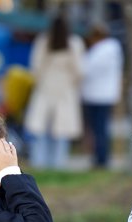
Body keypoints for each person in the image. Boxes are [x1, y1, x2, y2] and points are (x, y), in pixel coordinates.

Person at [24, 13, 84, 169]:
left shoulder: (43, 41)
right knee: (61, 131)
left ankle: (39, 162)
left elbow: (35, 67)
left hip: (45, 88)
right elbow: (79, 71)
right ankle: (58, 164)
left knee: (41, 129)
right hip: (65, 91)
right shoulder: (75, 43)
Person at [81, 22, 123, 168]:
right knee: (101, 128)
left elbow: (86, 70)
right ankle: (101, 157)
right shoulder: (113, 50)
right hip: (106, 94)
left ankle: (101, 159)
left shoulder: (101, 51)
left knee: (98, 129)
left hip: (96, 95)